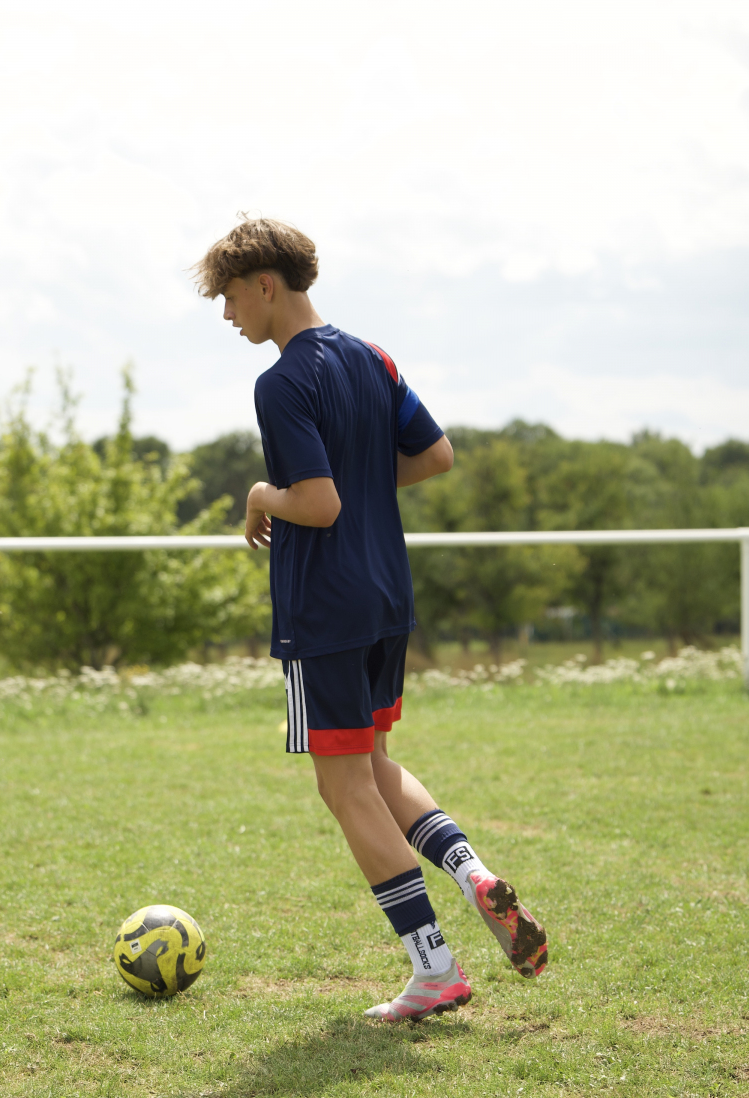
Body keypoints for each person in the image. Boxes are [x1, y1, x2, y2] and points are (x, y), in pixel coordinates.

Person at [195, 219, 548, 1023]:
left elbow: (317, 505)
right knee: (377, 766)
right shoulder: (372, 358)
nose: (228, 316)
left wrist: (259, 495)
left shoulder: (281, 383)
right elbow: (435, 455)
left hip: (325, 610)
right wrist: (353, 478)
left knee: (343, 785)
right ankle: (473, 876)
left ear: (265, 285)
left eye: (230, 298)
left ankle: (435, 968)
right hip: (388, 597)